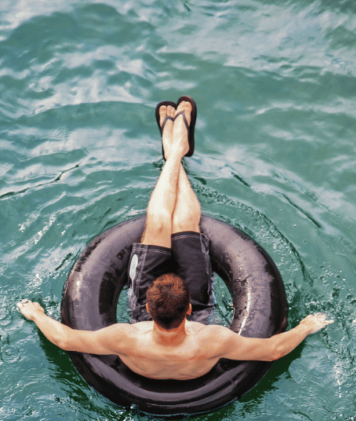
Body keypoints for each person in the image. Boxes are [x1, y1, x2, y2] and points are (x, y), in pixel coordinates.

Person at [18, 97, 333, 380]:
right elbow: (274, 350)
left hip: (146, 344)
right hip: (192, 344)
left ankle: (174, 152)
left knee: (157, 223)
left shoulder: (126, 338)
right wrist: (307, 326)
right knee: (184, 222)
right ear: (188, 311)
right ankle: (176, 149)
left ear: (147, 309)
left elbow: (63, 339)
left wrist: (36, 314)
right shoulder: (211, 341)